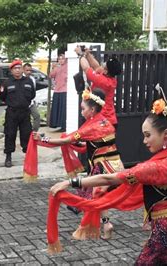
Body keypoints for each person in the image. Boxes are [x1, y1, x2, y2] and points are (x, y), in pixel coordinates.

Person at [47, 96, 167, 265]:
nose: (145, 141)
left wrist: (69, 182)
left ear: (166, 134)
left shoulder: (155, 167)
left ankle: (105, 222)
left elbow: (107, 178)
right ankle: (105, 222)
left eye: (148, 135)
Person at [34, 88, 123, 239]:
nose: (81, 112)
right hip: (116, 165)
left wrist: (43, 139)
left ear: (92, 109)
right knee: (97, 196)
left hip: (102, 168)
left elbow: (65, 140)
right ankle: (106, 224)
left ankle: (84, 226)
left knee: (91, 197)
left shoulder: (91, 126)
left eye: (83, 109)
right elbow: (94, 145)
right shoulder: (105, 121)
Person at [0, 59, 35, 167]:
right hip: (12, 112)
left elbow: (32, 95)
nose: (18, 70)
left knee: (26, 134)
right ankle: (8, 157)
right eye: (15, 68)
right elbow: (2, 97)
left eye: (19, 68)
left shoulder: (28, 81)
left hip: (25, 112)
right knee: (10, 134)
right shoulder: (7, 82)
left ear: (22, 69)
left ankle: (28, 157)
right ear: (11, 70)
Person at [75, 46, 122, 128]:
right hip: (107, 120)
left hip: (104, 121)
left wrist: (80, 55)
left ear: (106, 71)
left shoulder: (103, 81)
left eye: (105, 65)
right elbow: (96, 66)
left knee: (97, 140)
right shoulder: (109, 77)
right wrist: (88, 54)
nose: (103, 64)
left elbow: (86, 68)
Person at [49, 54, 68, 131]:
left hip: (65, 90)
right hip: (57, 90)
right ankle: (57, 124)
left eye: (62, 59)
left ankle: (63, 125)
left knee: (63, 109)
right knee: (57, 108)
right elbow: (51, 75)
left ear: (66, 59)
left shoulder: (68, 67)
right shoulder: (57, 68)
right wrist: (53, 67)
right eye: (59, 59)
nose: (61, 60)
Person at [23, 63, 40, 132]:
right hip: (23, 103)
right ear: (23, 70)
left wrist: (34, 101)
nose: (29, 72)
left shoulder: (32, 79)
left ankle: (34, 132)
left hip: (31, 102)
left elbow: (33, 91)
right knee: (25, 120)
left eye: (30, 70)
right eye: (27, 70)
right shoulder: (21, 79)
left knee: (37, 116)